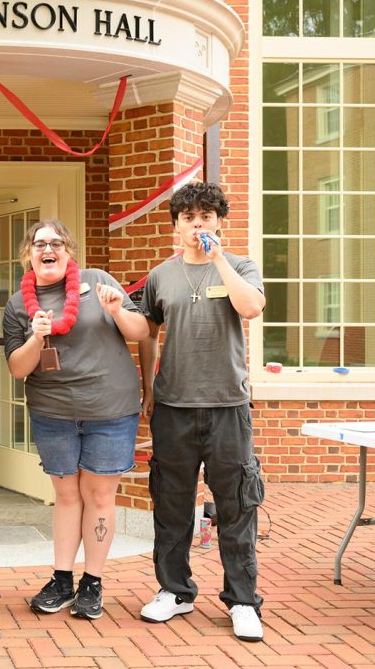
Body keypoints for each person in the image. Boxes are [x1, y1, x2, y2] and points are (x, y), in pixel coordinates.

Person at [138, 181, 266, 642]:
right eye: (189, 218)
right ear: (176, 225)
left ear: (219, 222)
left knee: (236, 505)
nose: (198, 225)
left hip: (228, 405)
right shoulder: (160, 276)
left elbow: (251, 308)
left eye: (206, 217)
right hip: (174, 407)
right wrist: (148, 385)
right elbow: (146, 332)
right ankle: (175, 591)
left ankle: (243, 601)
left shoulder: (240, 266)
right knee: (171, 504)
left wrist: (217, 261)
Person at [2, 219, 148, 621]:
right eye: (38, 244)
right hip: (54, 412)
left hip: (109, 410)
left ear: (68, 250)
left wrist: (117, 310)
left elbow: (140, 332)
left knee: (99, 496)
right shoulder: (18, 305)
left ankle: (93, 582)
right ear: (28, 254)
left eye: (55, 242)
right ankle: (63, 579)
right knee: (67, 496)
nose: (47, 249)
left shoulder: (98, 280)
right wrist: (35, 337)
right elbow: (17, 368)